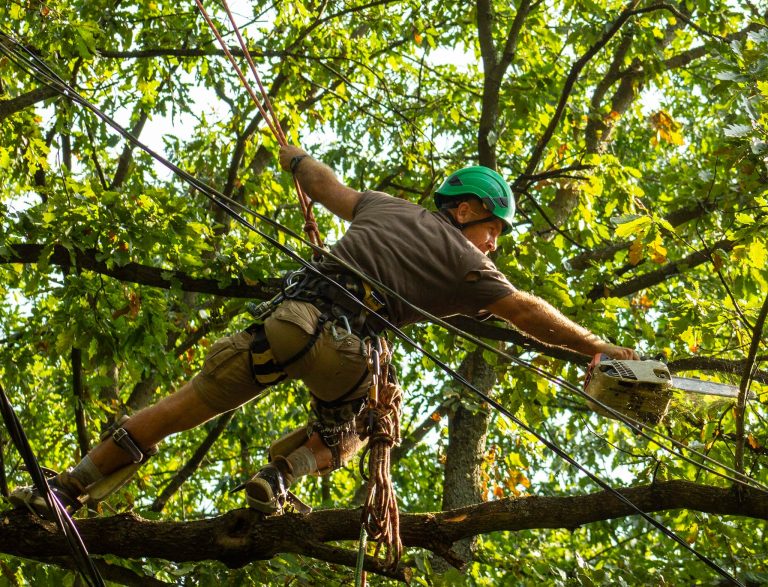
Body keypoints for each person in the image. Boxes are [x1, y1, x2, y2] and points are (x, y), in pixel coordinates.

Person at [10, 145, 638, 517]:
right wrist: (598, 348)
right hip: (343, 349)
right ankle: (281, 476)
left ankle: (62, 492)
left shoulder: (386, 205)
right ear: (467, 210)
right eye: (494, 227)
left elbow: (322, 185)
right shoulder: (469, 264)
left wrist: (296, 159)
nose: (494, 243)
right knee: (369, 424)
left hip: (282, 325)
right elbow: (529, 313)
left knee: (178, 408)